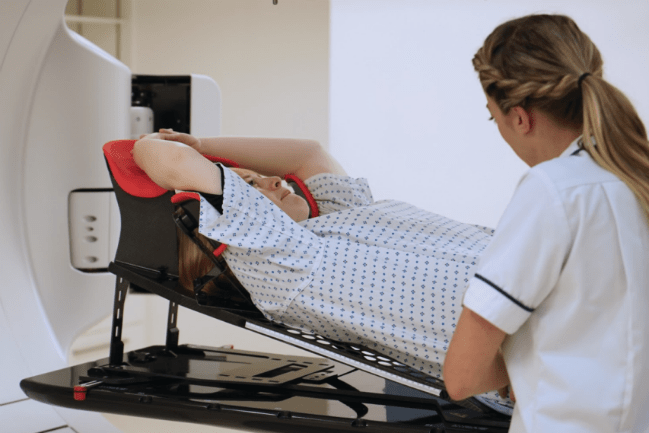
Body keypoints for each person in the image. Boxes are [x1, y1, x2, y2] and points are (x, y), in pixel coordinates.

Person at [133, 129, 513, 413]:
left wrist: (201, 145)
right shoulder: (271, 256)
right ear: (229, 223)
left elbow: (308, 155)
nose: (274, 179)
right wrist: (141, 144)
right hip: (520, 340)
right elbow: (170, 161)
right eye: (250, 186)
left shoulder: (331, 220)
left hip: (537, 283)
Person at [443, 14, 649, 433]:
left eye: (493, 118)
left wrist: (523, 364)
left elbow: (461, 376)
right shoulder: (633, 178)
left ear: (520, 117)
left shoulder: (552, 190)